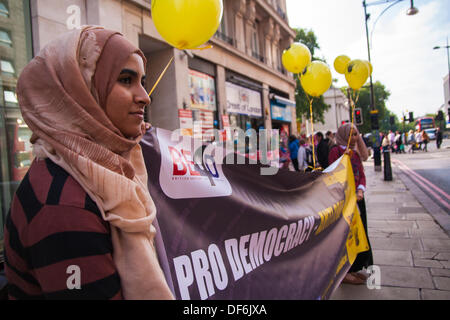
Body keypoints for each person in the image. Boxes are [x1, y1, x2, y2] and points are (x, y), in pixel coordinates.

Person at [3, 26, 174, 300]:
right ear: (82, 90)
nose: (145, 96)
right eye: (126, 80)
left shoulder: (103, 167)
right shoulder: (64, 205)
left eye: (142, 81)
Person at [329, 123, 373, 285]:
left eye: (356, 134)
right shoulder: (336, 151)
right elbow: (334, 175)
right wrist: (344, 158)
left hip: (358, 200)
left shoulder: (354, 153)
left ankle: (355, 268)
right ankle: (344, 272)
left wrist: (360, 190)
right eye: (351, 135)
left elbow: (361, 174)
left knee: (360, 233)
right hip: (345, 202)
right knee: (346, 236)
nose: (354, 138)